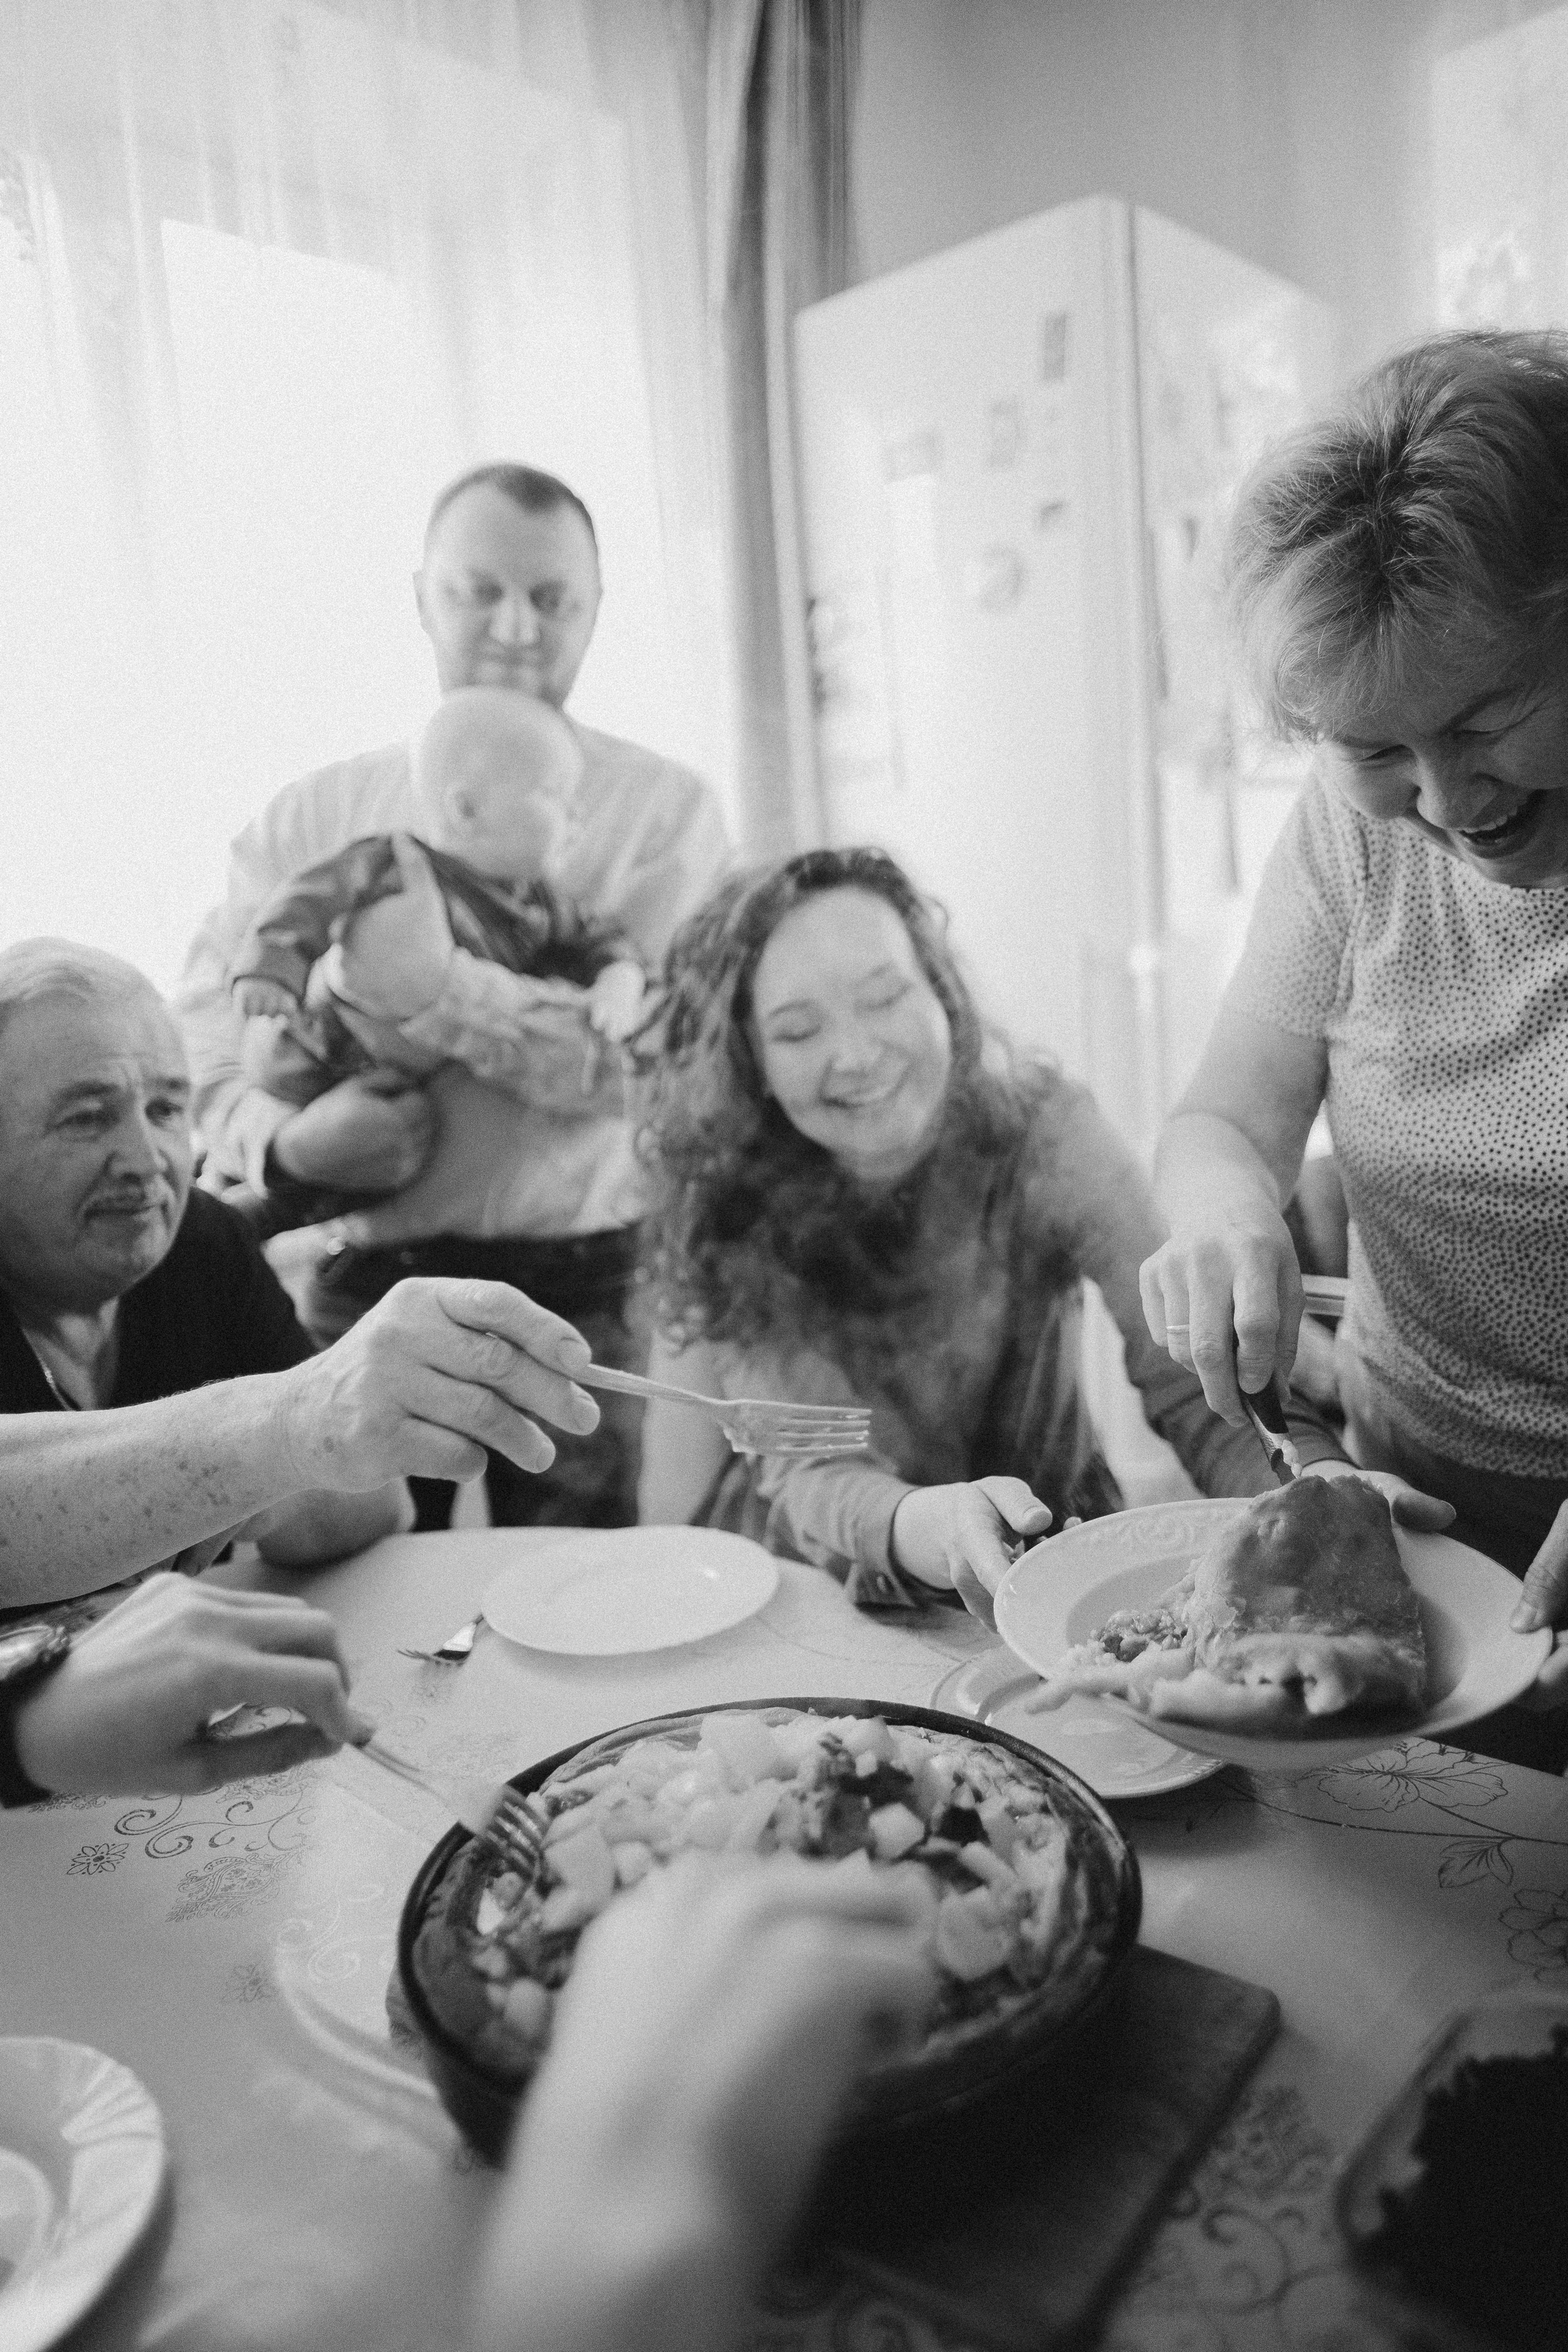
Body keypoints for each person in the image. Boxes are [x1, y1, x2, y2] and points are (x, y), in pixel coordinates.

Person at [1136, 329, 1568, 1751]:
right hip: (1403, 1527)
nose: (1444, 798)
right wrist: (1217, 1216)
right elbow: (1219, 1120)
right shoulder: (1339, 842)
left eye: (1482, 713)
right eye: (1373, 745)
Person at [177, 461, 729, 1529]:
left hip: (584, 1272)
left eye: (553, 598)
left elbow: (633, 1065)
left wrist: (418, 987)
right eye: (480, 591)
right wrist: (288, 1149)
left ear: (597, 610)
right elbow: (207, 1028)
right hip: (361, 1271)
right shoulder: (315, 816)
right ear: (422, 596)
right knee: (372, 1571)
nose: (518, 628)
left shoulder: (666, 815)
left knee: (579, 1588)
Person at [635, 848, 1314, 1620]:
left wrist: (1314, 1503)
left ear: (940, 990)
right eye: (796, 1033)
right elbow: (815, 1470)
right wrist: (932, 1525)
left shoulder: (1045, 1131)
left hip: (1056, 1565)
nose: (856, 1056)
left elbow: (1191, 1375)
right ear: (750, 1063)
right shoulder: (735, 1205)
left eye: (884, 995)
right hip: (835, 1595)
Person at [228, 691, 646, 1248]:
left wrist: (619, 980)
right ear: (466, 810)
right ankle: (255, 1205)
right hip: (323, 1048)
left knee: (404, 1136)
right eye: (556, 796)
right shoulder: (392, 862)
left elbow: (601, 940)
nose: (578, 819)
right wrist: (270, 972)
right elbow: (305, 902)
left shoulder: (541, 901)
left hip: (415, 1082)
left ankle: (276, 1212)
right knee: (326, 1119)